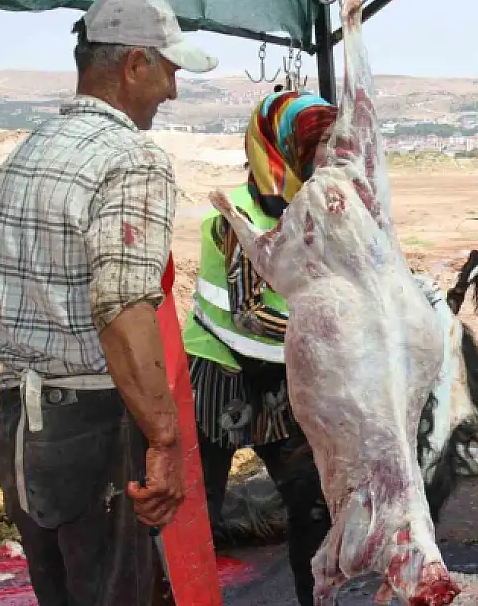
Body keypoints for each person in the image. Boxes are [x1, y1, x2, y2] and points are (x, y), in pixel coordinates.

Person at [0, 0, 217, 605]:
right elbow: (123, 306)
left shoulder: (24, 155)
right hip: (97, 432)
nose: (172, 90)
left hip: (21, 434)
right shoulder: (132, 158)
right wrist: (165, 443)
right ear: (134, 65)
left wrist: (40, 332)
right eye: (169, 70)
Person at [182, 89, 336, 606]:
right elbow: (248, 314)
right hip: (218, 373)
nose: (327, 157)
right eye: (319, 146)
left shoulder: (312, 209)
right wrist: (334, 335)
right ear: (283, 147)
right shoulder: (235, 216)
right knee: (197, 512)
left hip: (280, 373)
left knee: (312, 505)